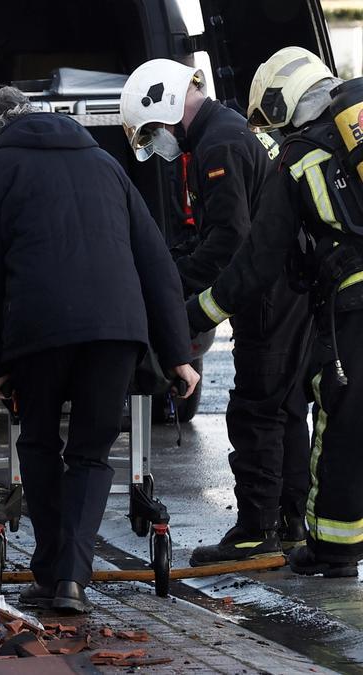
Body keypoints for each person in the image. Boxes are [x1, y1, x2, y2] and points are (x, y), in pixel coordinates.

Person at [0, 86, 199, 614]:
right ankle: (71, 577)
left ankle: (52, 570)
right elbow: (155, 261)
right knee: (92, 455)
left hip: (39, 330)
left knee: (41, 444)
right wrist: (176, 353)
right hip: (115, 332)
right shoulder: (104, 163)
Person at [120, 59, 312, 564]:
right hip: (288, 288)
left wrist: (171, 291)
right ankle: (291, 523)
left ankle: (256, 532)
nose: (157, 143)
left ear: (163, 106)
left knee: (256, 410)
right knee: (287, 407)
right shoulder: (224, 131)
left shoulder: (218, 145)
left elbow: (229, 239)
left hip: (267, 295)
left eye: (153, 131)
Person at [187, 47, 363, 578]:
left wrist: (197, 312)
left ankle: (332, 550)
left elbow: (257, 261)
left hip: (355, 300)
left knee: (341, 418)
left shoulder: (298, 157)